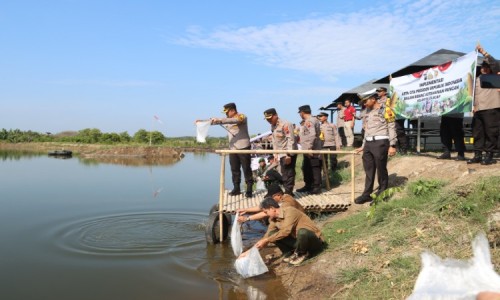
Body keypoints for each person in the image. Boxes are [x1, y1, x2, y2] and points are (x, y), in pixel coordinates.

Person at [239, 198, 323, 266]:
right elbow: (266, 237)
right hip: (299, 241)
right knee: (271, 235)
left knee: (302, 232)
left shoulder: (290, 211)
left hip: (313, 241)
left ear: (272, 208)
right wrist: (248, 252)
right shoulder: (273, 220)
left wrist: (267, 240)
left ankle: (302, 254)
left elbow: (286, 231)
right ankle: (290, 253)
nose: (266, 214)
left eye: (266, 212)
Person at [355, 93, 397, 205]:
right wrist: (363, 146)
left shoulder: (386, 110)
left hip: (380, 142)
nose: (364, 104)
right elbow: (367, 130)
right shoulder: (368, 113)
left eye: (366, 101)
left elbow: (391, 127)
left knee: (381, 168)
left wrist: (392, 145)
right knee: (369, 170)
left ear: (373, 99)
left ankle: (382, 194)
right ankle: (366, 194)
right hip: (368, 143)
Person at [209, 103, 254, 197]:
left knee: (246, 168)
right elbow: (215, 122)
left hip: (243, 147)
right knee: (234, 169)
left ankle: (249, 189)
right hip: (233, 148)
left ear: (233, 110)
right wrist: (202, 122)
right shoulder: (227, 120)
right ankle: (236, 188)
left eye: (227, 112)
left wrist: (220, 119)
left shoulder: (242, 116)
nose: (226, 114)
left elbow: (235, 120)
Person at [467, 44, 500, 165]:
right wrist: (473, 107)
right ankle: (478, 155)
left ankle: (490, 155)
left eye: (487, 67)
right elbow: (472, 94)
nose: (484, 69)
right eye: (483, 67)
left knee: (491, 133)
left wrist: (484, 52)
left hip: (491, 108)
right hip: (478, 110)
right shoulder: (477, 78)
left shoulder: (495, 76)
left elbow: (495, 64)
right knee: (477, 133)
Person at [263, 108, 298, 195]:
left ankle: (288, 193)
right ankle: (288, 192)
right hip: (281, 153)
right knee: (284, 173)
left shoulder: (285, 124)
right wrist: (275, 153)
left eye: (270, 118)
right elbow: (275, 140)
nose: (268, 120)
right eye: (267, 119)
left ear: (276, 115)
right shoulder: (273, 126)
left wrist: (288, 155)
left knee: (288, 174)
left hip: (288, 153)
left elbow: (291, 140)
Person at [237, 183, 304, 223]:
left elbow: (265, 213)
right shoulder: (281, 199)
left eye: (272, 197)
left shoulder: (286, 203)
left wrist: (247, 218)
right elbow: (261, 207)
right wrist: (245, 210)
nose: (271, 199)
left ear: (278, 195)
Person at [296, 105, 322, 194]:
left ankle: (316, 187)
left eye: (300, 113)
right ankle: (308, 185)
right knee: (306, 168)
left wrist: (310, 147)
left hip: (312, 149)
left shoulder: (310, 121)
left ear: (302, 112)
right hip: (307, 149)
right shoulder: (309, 120)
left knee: (315, 168)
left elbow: (312, 135)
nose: (299, 114)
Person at [377, 87, 408, 154]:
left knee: (399, 133)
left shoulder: (390, 99)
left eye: (380, 91)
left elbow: (397, 108)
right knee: (391, 135)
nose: (378, 92)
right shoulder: (378, 101)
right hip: (384, 121)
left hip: (395, 119)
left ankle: (404, 150)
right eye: (378, 91)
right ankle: (396, 149)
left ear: (385, 92)